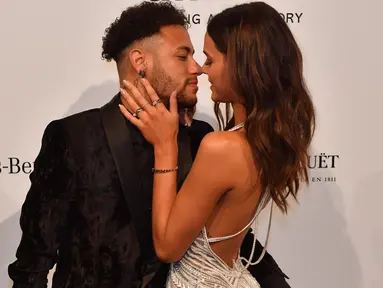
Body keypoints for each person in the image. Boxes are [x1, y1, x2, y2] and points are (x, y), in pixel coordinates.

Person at [8, 1, 289, 288]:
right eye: (183, 56)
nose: (196, 69)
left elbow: (224, 235)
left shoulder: (201, 137)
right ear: (140, 62)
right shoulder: (74, 136)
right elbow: (33, 263)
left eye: (197, 57)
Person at [119, 1, 316, 287]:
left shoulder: (222, 147)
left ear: (240, 65)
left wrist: (165, 145)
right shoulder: (262, 140)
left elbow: (167, 247)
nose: (201, 69)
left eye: (210, 60)